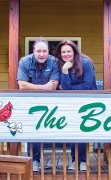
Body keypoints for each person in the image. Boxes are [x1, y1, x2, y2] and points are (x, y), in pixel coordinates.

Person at [17, 37, 60, 171]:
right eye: (38, 51)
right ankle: (35, 160)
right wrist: (43, 87)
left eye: (44, 51)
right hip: (31, 102)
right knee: (33, 131)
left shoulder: (54, 62)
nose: (41, 54)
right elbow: (22, 85)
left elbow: (54, 85)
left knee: (54, 131)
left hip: (51, 103)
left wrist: (37, 86)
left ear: (48, 52)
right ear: (33, 51)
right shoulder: (24, 61)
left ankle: (70, 161)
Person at [53, 39, 97, 171]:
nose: (66, 54)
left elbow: (86, 85)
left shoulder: (85, 62)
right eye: (63, 52)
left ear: (74, 51)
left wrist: (67, 88)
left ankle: (82, 161)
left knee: (83, 130)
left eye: (68, 51)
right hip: (71, 102)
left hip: (87, 101)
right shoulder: (61, 65)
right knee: (73, 130)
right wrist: (65, 70)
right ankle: (74, 160)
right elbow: (65, 86)